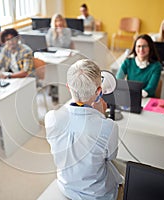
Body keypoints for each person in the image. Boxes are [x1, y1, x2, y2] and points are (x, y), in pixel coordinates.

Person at [45, 59, 123, 200]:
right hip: (96, 194)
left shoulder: (51, 118)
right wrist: (101, 115)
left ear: (68, 87)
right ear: (99, 91)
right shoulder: (108, 126)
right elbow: (110, 157)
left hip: (66, 186)